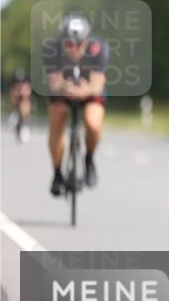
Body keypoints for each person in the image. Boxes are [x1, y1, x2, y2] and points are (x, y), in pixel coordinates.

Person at [42, 14, 108, 196]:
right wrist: (67, 88)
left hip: (88, 92)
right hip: (63, 92)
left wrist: (81, 91)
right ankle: (57, 173)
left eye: (78, 44)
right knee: (58, 116)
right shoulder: (52, 48)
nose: (74, 48)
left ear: (87, 41)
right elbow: (54, 84)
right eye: (69, 44)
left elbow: (98, 83)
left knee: (93, 123)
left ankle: (89, 159)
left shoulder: (98, 48)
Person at [8, 68, 32, 142]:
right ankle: (16, 115)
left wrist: (23, 93)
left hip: (24, 103)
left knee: (25, 104)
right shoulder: (13, 90)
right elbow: (12, 96)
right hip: (16, 105)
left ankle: (24, 125)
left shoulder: (26, 88)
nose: (19, 85)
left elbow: (27, 93)